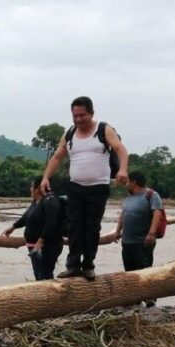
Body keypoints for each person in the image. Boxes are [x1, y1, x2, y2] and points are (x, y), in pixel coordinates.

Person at [40, 96, 129, 280]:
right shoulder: (70, 133)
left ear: (91, 113)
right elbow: (57, 156)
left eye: (82, 115)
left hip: (98, 187)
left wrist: (123, 169)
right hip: (75, 187)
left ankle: (88, 265)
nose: (79, 119)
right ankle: (73, 265)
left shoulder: (104, 130)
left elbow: (120, 149)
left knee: (91, 227)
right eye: (75, 116)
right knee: (74, 226)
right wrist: (45, 178)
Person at [109, 171, 164, 305]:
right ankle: (134, 298)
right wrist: (117, 231)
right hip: (127, 242)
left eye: (127, 181)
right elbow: (123, 214)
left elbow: (157, 213)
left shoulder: (151, 195)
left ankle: (149, 298)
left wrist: (151, 233)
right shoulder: (129, 198)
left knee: (145, 271)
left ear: (134, 182)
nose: (126, 184)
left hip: (143, 242)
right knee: (130, 272)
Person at [2, 176, 64, 280]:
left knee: (45, 274)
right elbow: (27, 217)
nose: (30, 189)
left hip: (47, 246)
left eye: (31, 186)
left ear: (38, 188)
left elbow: (51, 224)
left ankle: (48, 295)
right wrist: (13, 227)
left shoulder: (50, 201)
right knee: (38, 274)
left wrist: (40, 241)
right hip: (35, 247)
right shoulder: (36, 201)